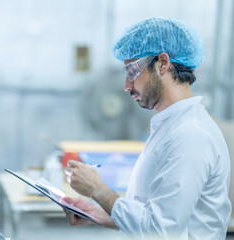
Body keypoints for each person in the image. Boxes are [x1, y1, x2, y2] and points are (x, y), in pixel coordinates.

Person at [64, 18, 231, 239]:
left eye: (132, 71)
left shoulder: (190, 135)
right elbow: (156, 215)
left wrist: (99, 190)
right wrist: (104, 214)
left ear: (163, 63)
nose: (126, 86)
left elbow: (162, 232)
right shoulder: (171, 126)